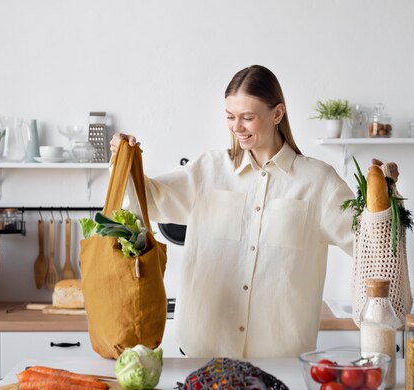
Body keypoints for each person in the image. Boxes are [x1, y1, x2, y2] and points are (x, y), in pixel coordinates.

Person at [110, 65, 354, 358]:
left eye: (247, 118)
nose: (236, 127)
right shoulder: (208, 170)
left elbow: (369, 243)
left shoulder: (318, 182)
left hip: (281, 360)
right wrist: (124, 162)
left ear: (277, 114)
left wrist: (387, 203)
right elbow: (148, 200)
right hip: (204, 354)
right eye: (230, 117)